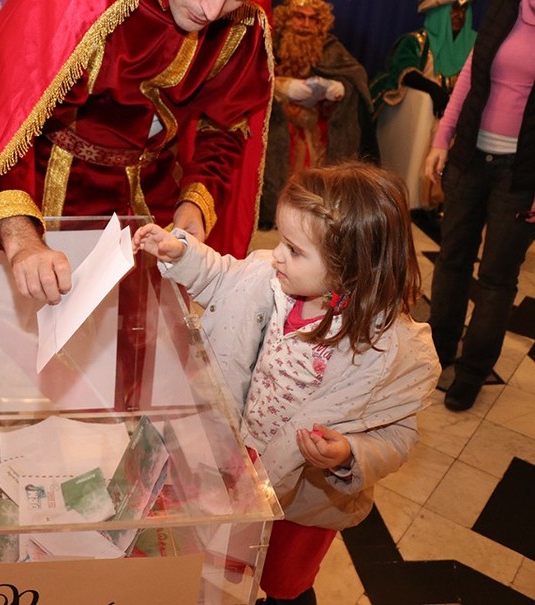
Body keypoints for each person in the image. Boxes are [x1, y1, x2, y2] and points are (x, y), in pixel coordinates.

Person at [133, 161, 439, 604]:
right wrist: (180, 253)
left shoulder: (383, 352)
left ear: (350, 266)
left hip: (308, 499)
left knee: (285, 584)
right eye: (281, 239)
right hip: (241, 460)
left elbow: (397, 434)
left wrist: (349, 454)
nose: (276, 254)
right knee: (232, 562)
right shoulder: (270, 280)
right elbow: (221, 278)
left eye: (294, 250)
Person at [0, 0, 274, 302]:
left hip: (157, 198)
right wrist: (21, 237)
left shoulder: (242, 19)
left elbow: (225, 125)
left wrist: (195, 201)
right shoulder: (73, 6)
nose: (210, 12)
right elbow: (6, 119)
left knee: (143, 341)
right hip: (51, 192)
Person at [423, 0, 535, 412]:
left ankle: (472, 372)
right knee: (452, 259)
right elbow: (471, 74)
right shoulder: (505, 9)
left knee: (496, 278)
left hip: (522, 174)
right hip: (470, 158)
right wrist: (442, 138)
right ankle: (437, 351)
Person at [257, 0, 378, 230]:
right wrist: (283, 87)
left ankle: (317, 212)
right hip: (277, 124)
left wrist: (339, 87)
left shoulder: (331, 48)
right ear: (287, 19)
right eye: (299, 17)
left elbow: (355, 76)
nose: (305, 24)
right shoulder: (270, 42)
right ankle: (274, 211)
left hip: (318, 124)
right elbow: (253, 78)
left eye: (312, 19)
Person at [370, 0, 476, 217]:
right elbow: (403, 69)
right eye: (454, 9)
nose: (459, 15)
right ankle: (428, 202)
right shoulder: (416, 41)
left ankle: (451, 204)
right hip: (427, 115)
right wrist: (433, 90)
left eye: (464, 10)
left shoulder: (476, 45)